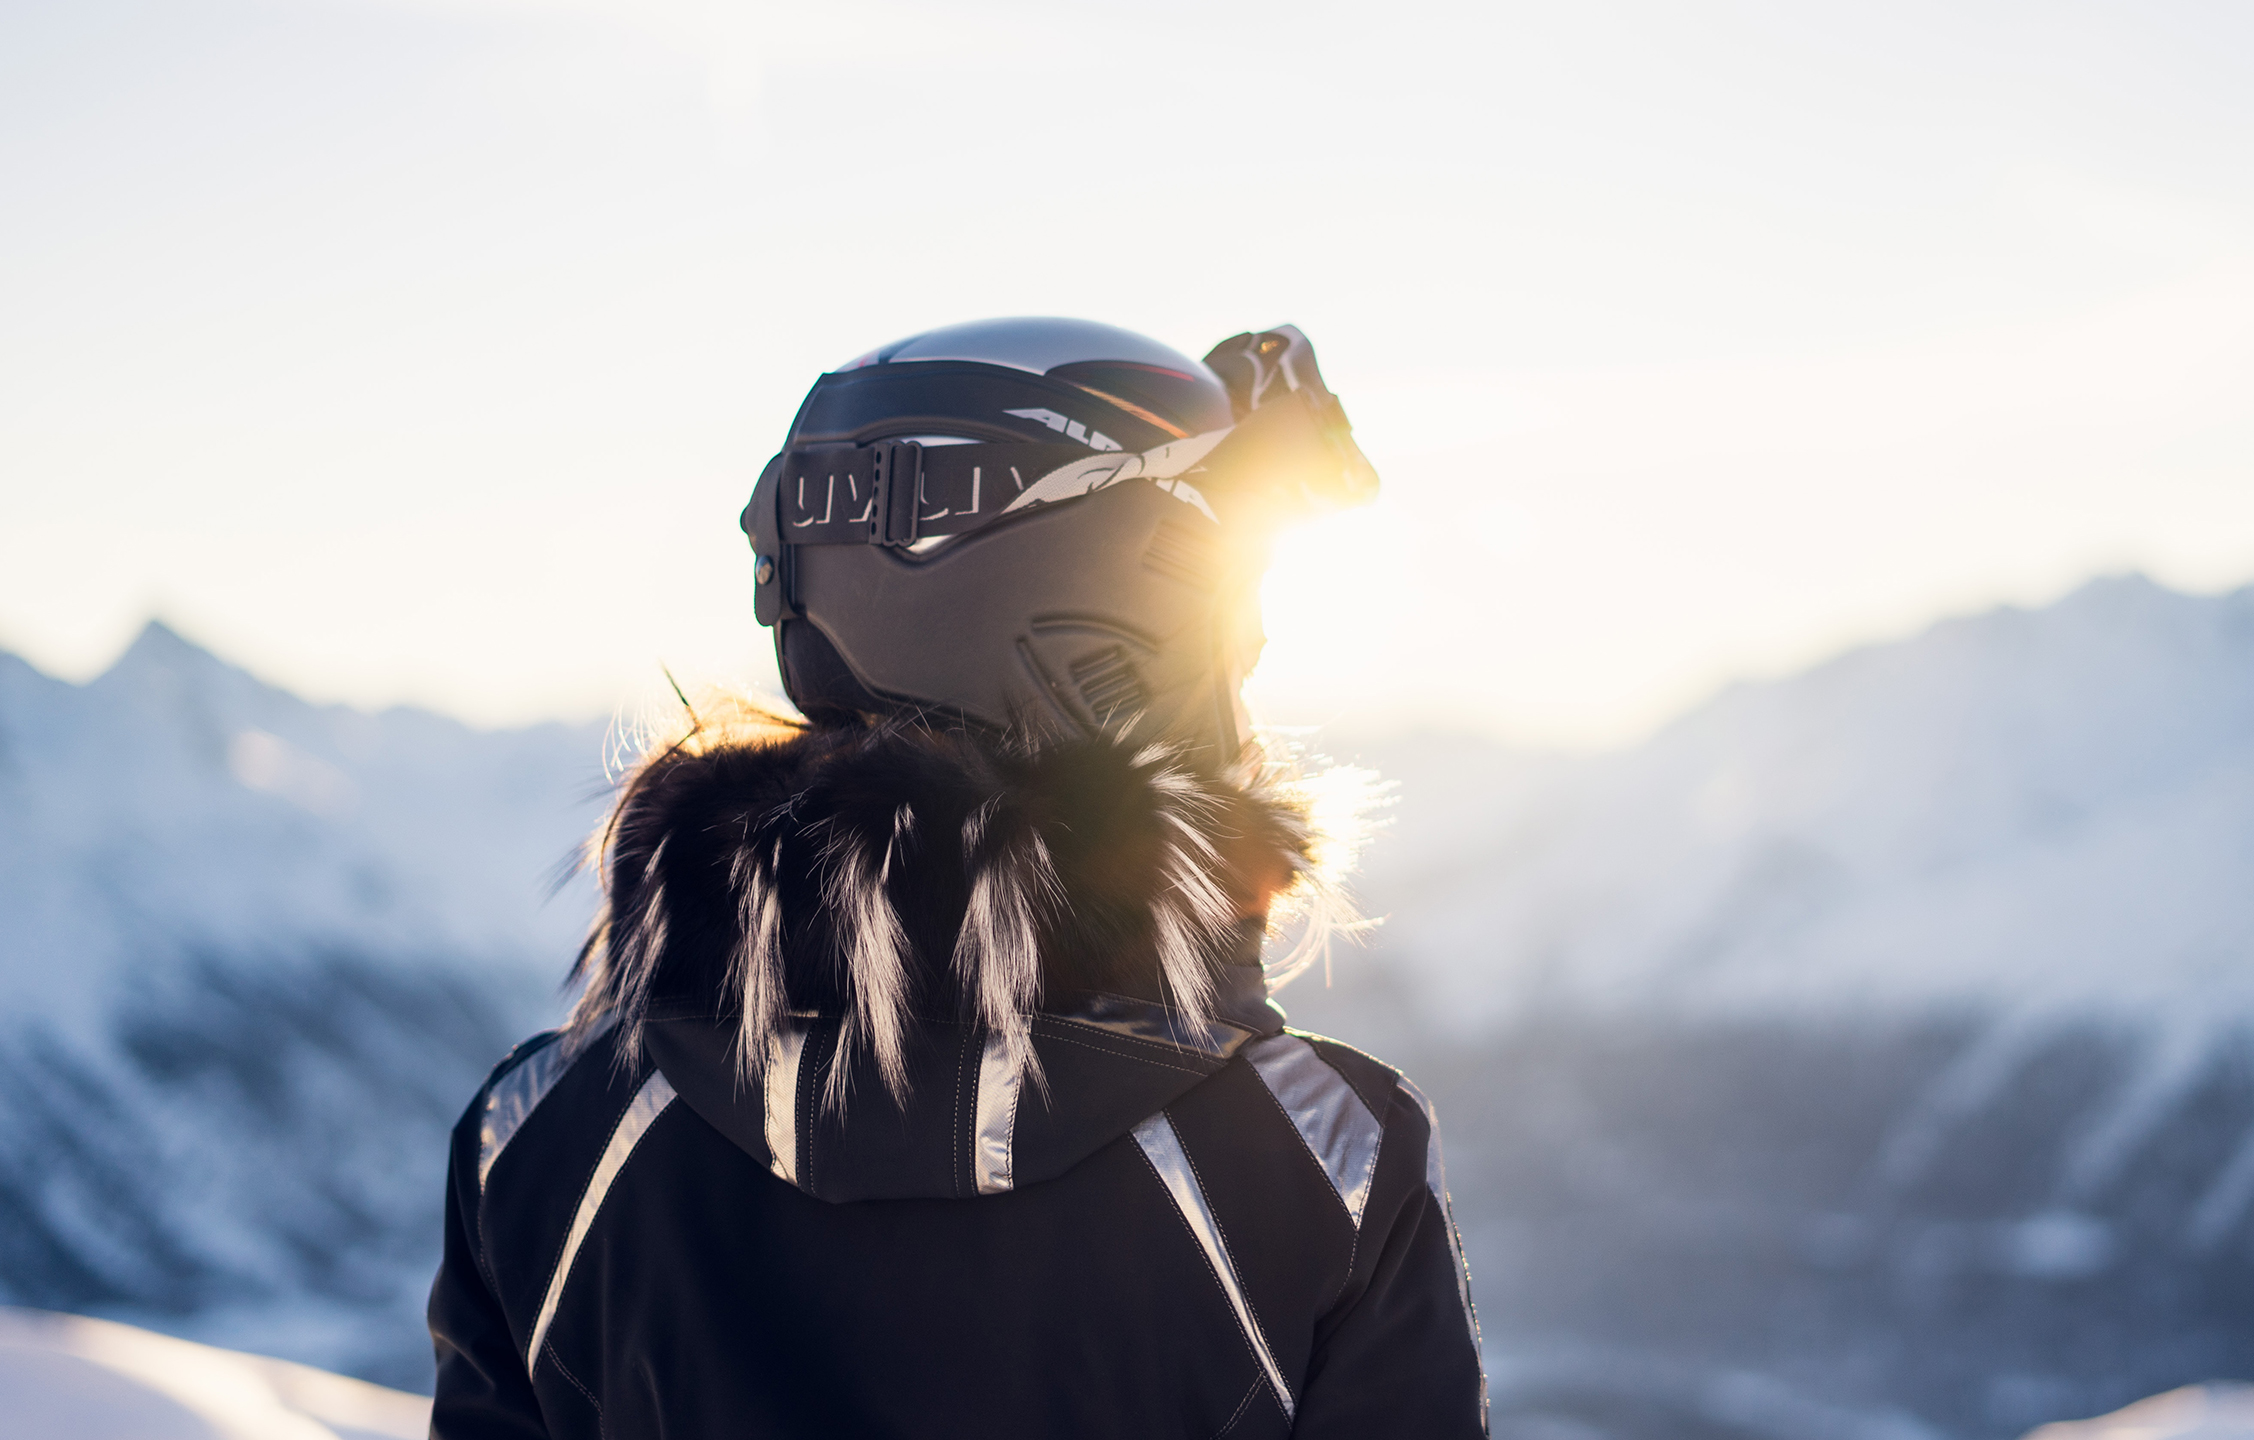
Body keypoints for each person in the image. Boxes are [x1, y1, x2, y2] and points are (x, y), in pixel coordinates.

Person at [425, 317, 1487, 1437]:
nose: (1239, 707)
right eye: (1224, 649)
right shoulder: (1324, 1164)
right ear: (1111, 636)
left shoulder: (536, 1147)